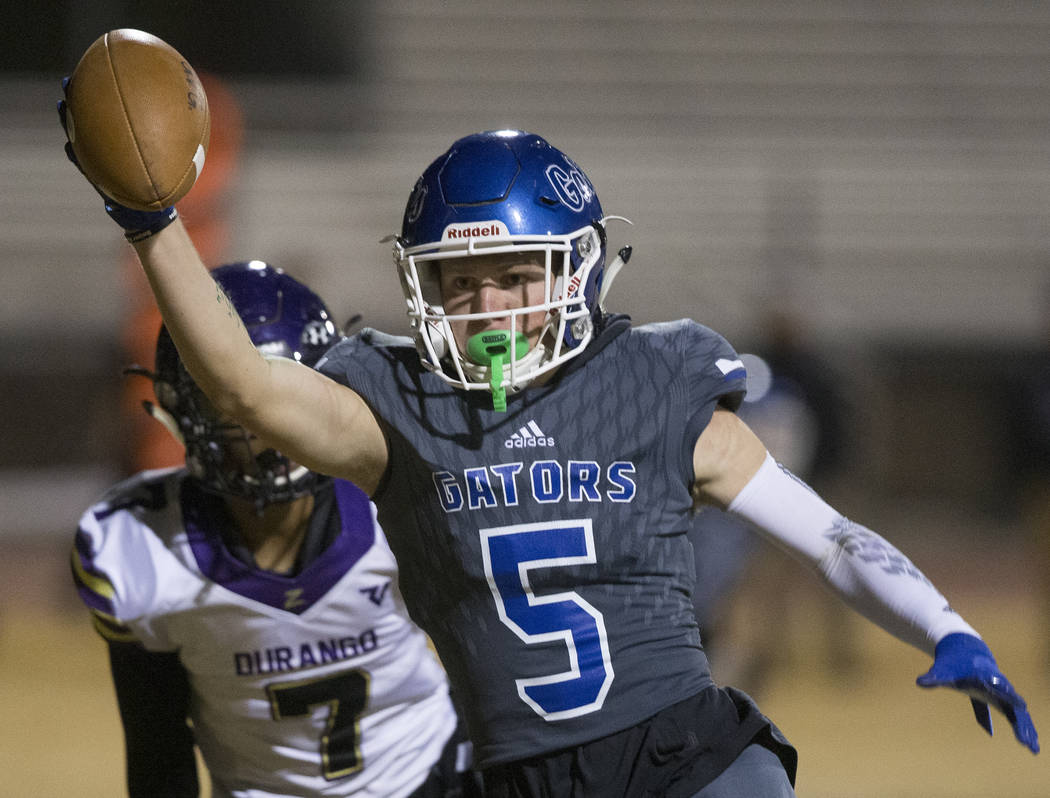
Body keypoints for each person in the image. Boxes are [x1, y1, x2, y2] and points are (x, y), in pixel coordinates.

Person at [58, 91, 1038, 796]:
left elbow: (825, 535)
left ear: (574, 270)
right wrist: (152, 221)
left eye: (513, 272)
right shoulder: (393, 404)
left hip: (682, 761)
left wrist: (942, 622)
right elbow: (238, 384)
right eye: (458, 281)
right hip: (510, 775)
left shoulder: (656, 383)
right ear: (421, 288)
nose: (486, 305)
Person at [71, 261, 479, 798]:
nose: (259, 428)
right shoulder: (137, 546)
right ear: (179, 407)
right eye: (227, 403)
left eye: (281, 397)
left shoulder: (401, 499)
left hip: (428, 776)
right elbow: (157, 745)